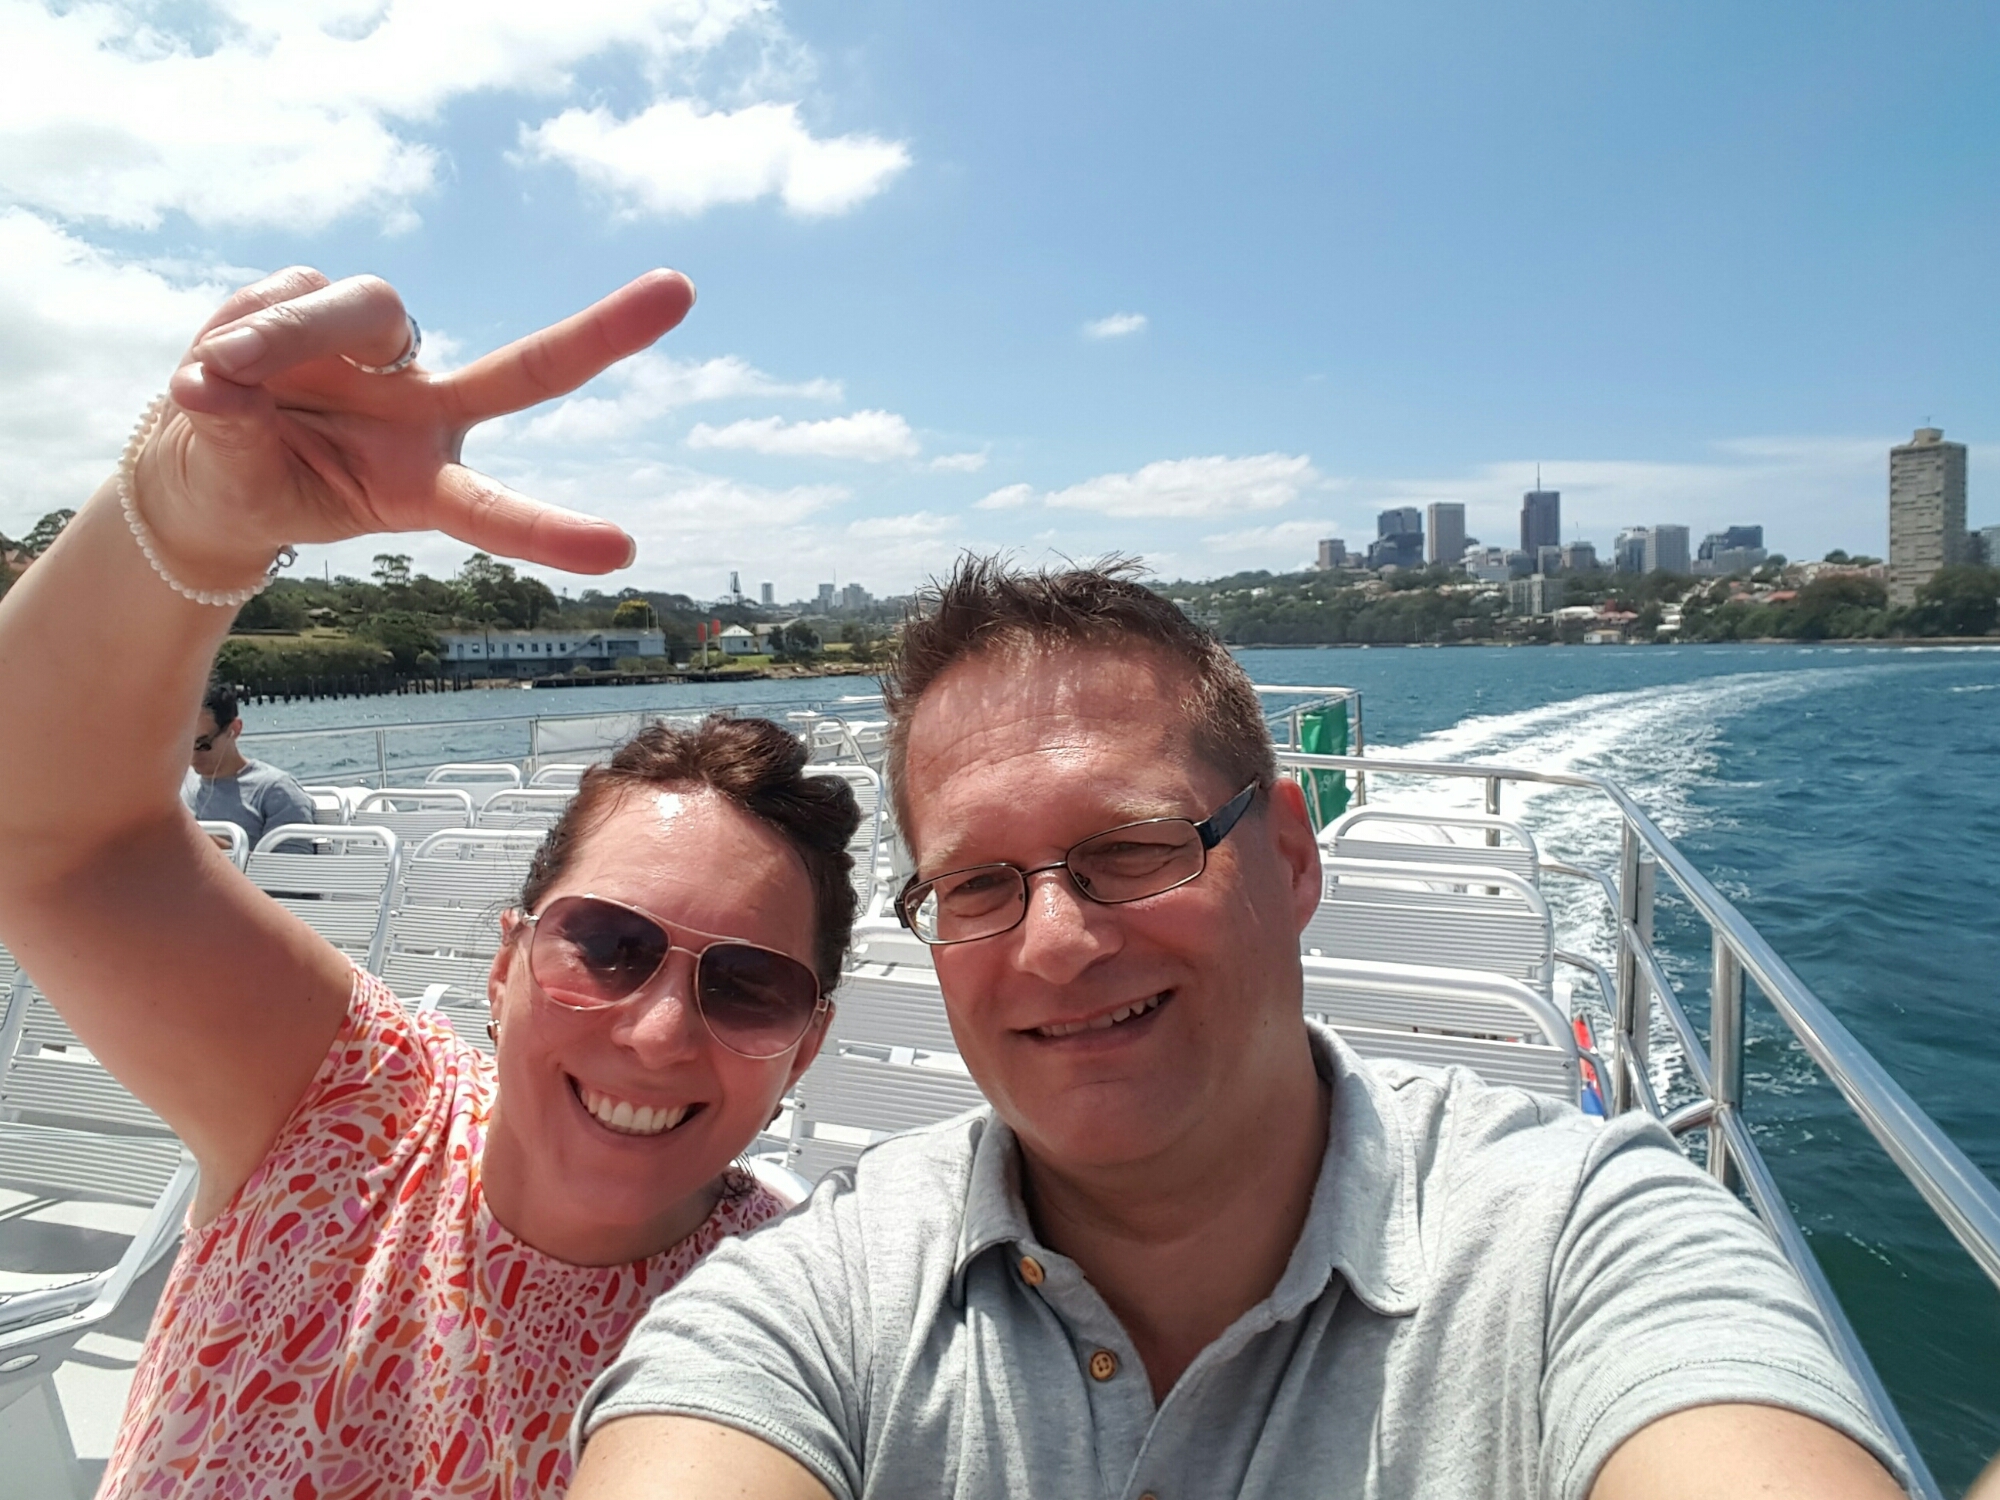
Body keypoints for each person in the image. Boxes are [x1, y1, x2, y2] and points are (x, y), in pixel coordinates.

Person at [571, 560, 1911, 1500]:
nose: (1056, 942)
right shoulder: (815, 1304)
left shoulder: (1576, 1241)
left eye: (1132, 849)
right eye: (976, 884)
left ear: (1290, 856)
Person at [0, 266, 858, 1497]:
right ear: (505, 963)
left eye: (749, 985)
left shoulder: (811, 1325)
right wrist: (188, 519)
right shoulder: (341, 1108)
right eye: (607, 944)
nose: (659, 1031)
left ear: (806, 1044)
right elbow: (56, 834)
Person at [182, 676, 316, 846]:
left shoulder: (275, 790)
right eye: (183, 745)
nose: (192, 756)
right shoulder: (178, 785)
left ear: (235, 729)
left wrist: (197, 841)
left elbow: (292, 861)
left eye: (203, 744)